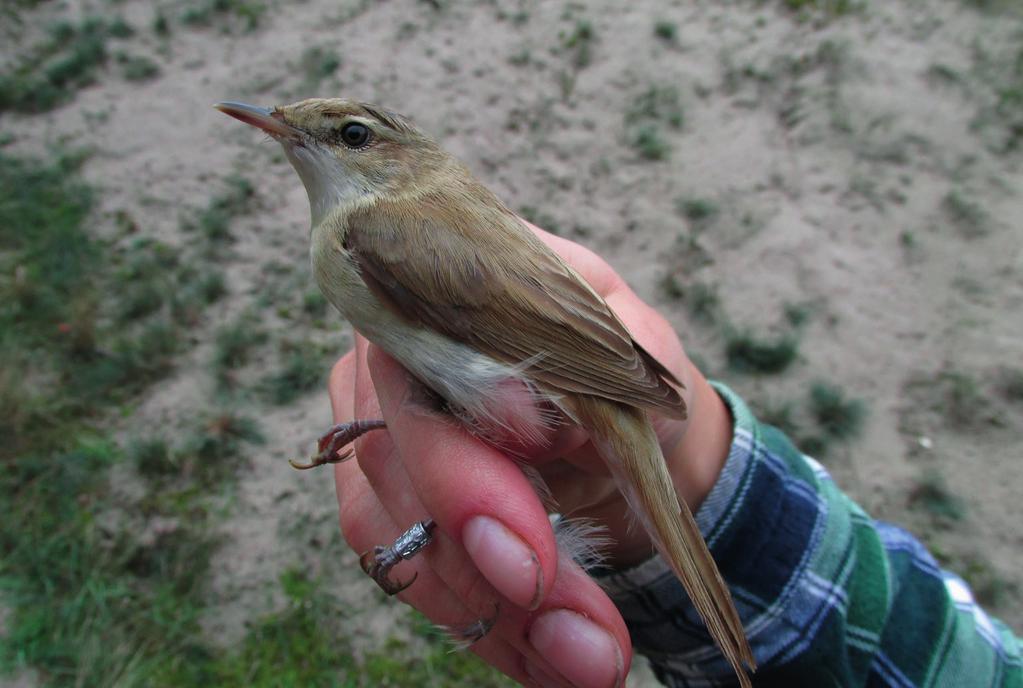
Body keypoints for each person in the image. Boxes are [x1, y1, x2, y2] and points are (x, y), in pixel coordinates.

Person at [326, 225, 1021, 688]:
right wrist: (697, 472)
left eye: (351, 133)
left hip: (571, 378)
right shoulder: (375, 233)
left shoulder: (374, 232)